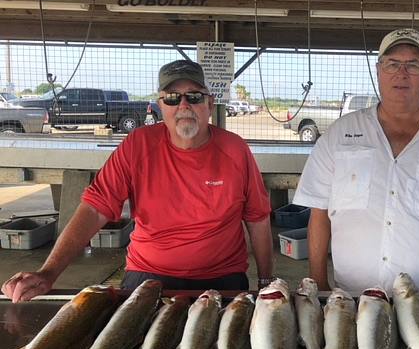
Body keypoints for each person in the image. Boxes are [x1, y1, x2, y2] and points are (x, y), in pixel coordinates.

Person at [2, 60, 274, 302]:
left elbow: (257, 219)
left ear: (210, 104)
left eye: (194, 96)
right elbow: (96, 208)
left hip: (222, 278)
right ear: (160, 106)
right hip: (148, 276)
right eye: (172, 98)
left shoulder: (236, 150)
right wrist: (48, 273)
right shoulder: (138, 145)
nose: (183, 106)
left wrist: (264, 282)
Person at [293, 28, 419, 295]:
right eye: (392, 63)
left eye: (413, 65)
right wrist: (318, 283)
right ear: (379, 70)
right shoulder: (339, 135)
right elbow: (319, 213)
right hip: (358, 299)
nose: (401, 73)